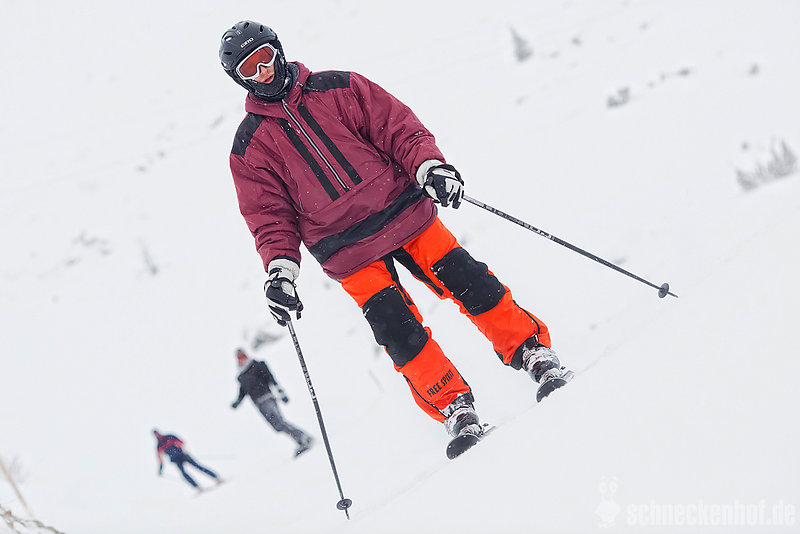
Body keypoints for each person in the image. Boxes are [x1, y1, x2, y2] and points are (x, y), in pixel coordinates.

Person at [218, 21, 572, 452]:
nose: (264, 72)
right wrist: (280, 272)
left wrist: (429, 168)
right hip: (347, 251)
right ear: (240, 79)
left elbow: (398, 129)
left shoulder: (338, 88)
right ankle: (454, 407)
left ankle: (532, 352)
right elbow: (269, 217)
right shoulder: (250, 146)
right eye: (251, 69)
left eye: (266, 58)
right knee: (398, 331)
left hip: (405, 213)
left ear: (278, 50)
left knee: (471, 282)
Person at [231, 348, 313, 457]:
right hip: (259, 404)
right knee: (277, 426)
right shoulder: (242, 377)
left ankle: (303, 438)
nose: (242, 360)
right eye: (239, 358)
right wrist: (237, 402)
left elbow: (271, 379)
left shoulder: (257, 366)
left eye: (243, 356)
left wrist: (281, 393)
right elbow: (243, 391)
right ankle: (300, 439)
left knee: (279, 422)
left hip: (267, 398)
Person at [153, 430, 222, 492]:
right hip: (176, 460)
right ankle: (197, 487)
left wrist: (179, 447)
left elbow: (181, 442)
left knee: (198, 466)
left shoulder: (169, 437)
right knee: (183, 473)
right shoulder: (159, 446)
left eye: (157, 433)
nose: (157, 435)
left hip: (183, 455)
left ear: (159, 432)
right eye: (156, 435)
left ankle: (216, 478)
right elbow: (160, 458)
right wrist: (161, 469)